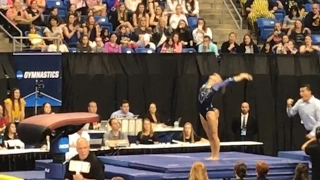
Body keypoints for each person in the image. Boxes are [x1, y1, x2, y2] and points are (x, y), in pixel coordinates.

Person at [198, 73, 252, 160]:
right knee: (209, 136)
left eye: (216, 75)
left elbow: (229, 80)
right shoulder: (205, 85)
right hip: (201, 112)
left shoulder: (215, 86)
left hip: (209, 112)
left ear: (217, 80)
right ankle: (212, 154)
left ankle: (215, 156)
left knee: (214, 135)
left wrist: (241, 76)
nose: (214, 74)